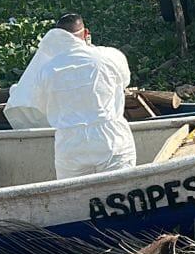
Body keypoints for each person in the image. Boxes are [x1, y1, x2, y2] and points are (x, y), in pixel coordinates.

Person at [38, 14, 137, 179]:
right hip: (110, 140)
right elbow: (124, 81)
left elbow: (43, 106)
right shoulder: (110, 56)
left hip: (69, 145)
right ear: (86, 34)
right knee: (120, 194)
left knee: (74, 198)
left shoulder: (46, 69)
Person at [3, 15, 86, 129]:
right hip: (71, 127)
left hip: (32, 123)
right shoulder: (89, 57)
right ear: (85, 33)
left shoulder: (44, 54)